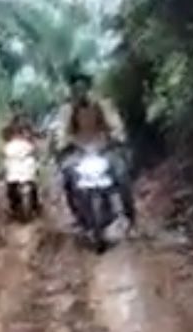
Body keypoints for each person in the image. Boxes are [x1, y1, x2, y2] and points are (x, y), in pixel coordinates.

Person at [53, 71, 135, 228]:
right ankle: (79, 214)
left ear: (88, 88)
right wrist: (62, 144)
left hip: (104, 147)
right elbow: (61, 131)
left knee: (121, 173)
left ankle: (129, 213)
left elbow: (115, 123)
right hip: (79, 151)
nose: (80, 92)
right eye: (76, 89)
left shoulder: (102, 104)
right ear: (72, 91)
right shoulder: (67, 109)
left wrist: (117, 136)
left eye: (82, 88)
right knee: (68, 177)